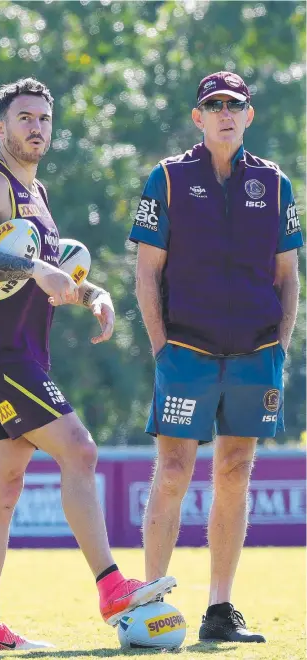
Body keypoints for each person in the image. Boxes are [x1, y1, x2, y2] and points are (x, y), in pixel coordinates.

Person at [0, 77, 176, 651]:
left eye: (44, 118)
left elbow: (43, 268)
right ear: (1, 128)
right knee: (80, 447)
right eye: (24, 118)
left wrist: (89, 290)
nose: (36, 127)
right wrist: (33, 271)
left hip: (21, 352)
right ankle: (111, 587)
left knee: (2, 486)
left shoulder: (39, 195)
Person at [129, 71, 303, 643]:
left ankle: (220, 611)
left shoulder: (276, 184)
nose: (225, 112)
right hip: (184, 349)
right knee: (174, 471)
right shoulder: (169, 178)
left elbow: (287, 275)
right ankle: (149, 605)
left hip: (255, 353)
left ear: (249, 116)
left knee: (234, 471)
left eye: (235, 104)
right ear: (198, 117)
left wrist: (280, 344)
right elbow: (147, 272)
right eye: (214, 104)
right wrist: (159, 345)